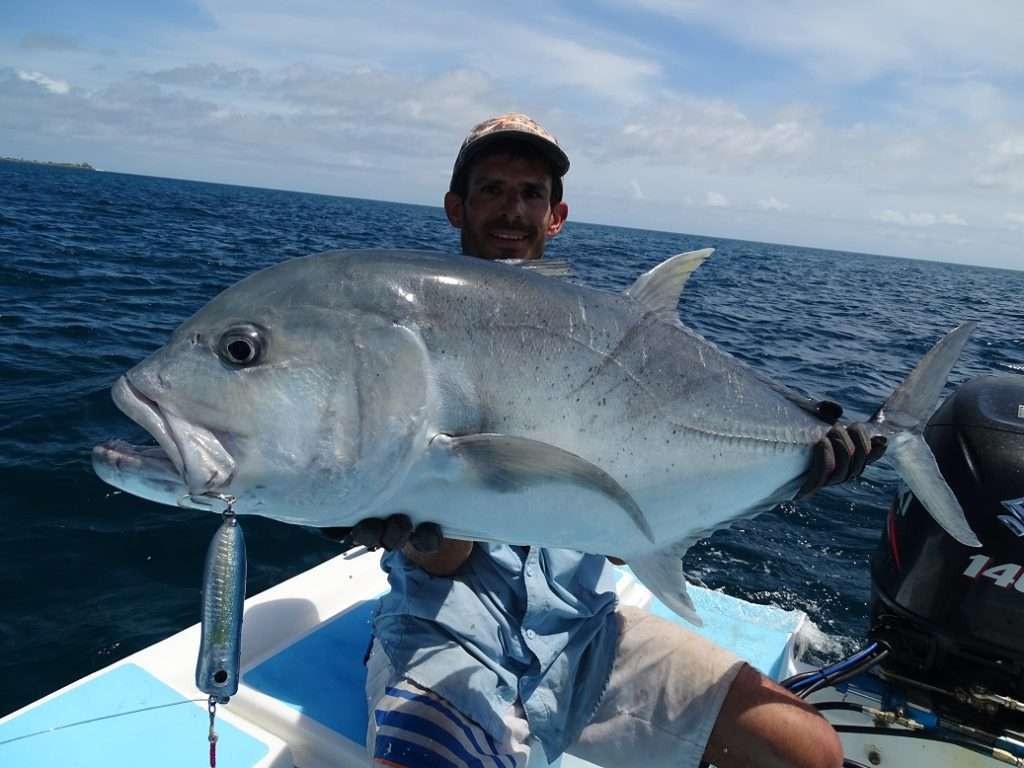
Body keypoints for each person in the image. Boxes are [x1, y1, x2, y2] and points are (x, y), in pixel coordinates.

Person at [342, 113, 882, 768]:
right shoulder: (416, 336)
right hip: (452, 630)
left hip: (584, 635)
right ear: (456, 207)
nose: (513, 210)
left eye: (531, 193)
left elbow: (628, 543)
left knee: (810, 748)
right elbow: (446, 563)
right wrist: (414, 509)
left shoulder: (598, 344)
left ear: (556, 215)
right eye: (491, 190)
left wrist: (797, 467)